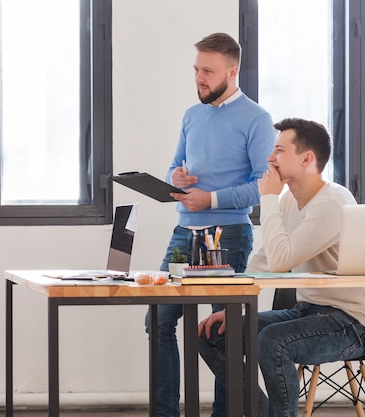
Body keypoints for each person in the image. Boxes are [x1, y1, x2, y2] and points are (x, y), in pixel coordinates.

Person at [198, 118, 363, 417]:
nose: (270, 159)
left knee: (273, 342)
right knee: (214, 334)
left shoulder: (332, 203)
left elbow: (281, 260)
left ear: (306, 159)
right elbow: (264, 260)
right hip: (308, 311)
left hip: (350, 322)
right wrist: (237, 308)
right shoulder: (289, 200)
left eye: (279, 150)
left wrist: (269, 197)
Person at [151, 32, 275, 417]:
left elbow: (263, 184)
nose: (199, 78)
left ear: (232, 71)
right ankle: (167, 413)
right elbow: (173, 165)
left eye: (208, 70)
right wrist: (178, 177)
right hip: (183, 233)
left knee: (223, 331)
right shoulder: (193, 115)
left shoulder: (257, 118)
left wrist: (211, 199)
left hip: (228, 234)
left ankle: (227, 412)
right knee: (157, 320)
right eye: (196, 70)